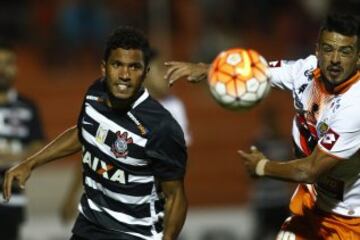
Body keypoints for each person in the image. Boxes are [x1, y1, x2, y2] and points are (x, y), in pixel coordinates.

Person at [164, 14, 360, 239]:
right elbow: (257, 71)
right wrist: (209, 70)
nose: (334, 59)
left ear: (358, 57)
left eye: (345, 52)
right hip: (315, 207)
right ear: (317, 50)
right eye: (328, 49)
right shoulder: (304, 72)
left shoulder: (354, 105)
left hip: (350, 221)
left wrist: (262, 167)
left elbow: (309, 170)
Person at [4, 26, 188, 240]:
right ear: (104, 68)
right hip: (89, 226)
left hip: (134, 234)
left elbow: (176, 197)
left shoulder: (161, 126)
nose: (125, 75)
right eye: (117, 65)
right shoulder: (95, 94)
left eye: (134, 67)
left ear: (145, 72)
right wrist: (30, 163)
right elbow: (82, 132)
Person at [59, 49, 192, 226]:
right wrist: (71, 196)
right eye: (160, 69)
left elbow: (177, 165)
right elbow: (90, 152)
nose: (167, 76)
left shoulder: (173, 108)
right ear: (145, 73)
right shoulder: (111, 103)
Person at [0, 40, 45, 240]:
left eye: (8, 63)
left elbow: (38, 146)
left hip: (12, 200)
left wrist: (13, 158)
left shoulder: (28, 106)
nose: (2, 69)